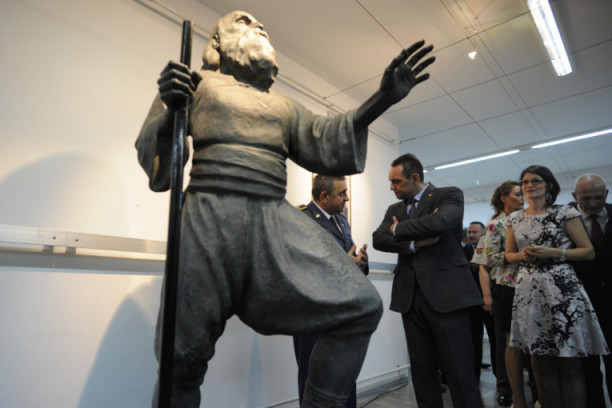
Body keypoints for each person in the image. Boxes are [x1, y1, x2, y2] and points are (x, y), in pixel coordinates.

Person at [135, 10, 435, 408]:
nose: (258, 26)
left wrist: (382, 99)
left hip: (272, 218)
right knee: (182, 359)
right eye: (243, 22)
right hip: (208, 213)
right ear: (218, 43)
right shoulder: (194, 83)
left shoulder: (282, 106)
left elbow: (327, 139)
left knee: (361, 306)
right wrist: (170, 112)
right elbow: (160, 171)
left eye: (260, 24)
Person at [372, 153, 484, 408]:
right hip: (410, 299)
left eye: (396, 182)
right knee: (422, 373)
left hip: (448, 297)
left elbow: (440, 222)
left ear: (414, 178)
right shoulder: (394, 209)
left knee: (459, 372)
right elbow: (378, 238)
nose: (391, 187)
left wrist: (397, 229)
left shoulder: (449, 195)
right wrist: (414, 243)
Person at [505, 165, 609, 408]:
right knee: (543, 365)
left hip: (562, 291)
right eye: (525, 182)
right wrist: (522, 255)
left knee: (570, 363)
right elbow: (508, 255)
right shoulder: (514, 219)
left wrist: (555, 252)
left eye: (536, 181)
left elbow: (588, 251)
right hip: (530, 293)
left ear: (549, 185)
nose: (529, 185)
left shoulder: (565, 212)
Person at [294, 175, 368, 408]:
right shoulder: (300, 218)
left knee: (345, 373)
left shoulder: (341, 222)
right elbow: (297, 264)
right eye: (342, 193)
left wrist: (361, 262)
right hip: (314, 313)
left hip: (343, 310)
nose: (347, 198)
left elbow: (347, 255)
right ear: (324, 196)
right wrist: (345, 263)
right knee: (313, 375)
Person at [472, 181, 530, 407]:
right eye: (517, 194)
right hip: (506, 287)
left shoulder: (528, 219)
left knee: (529, 341)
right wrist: (487, 296)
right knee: (505, 342)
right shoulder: (496, 225)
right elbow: (486, 262)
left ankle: (534, 387)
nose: (522, 197)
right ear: (504, 198)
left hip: (530, 286)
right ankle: (505, 387)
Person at [571, 174, 611, 408]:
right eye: (586, 198)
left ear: (606, 194)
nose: (593, 203)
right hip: (581, 304)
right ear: (575, 196)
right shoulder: (564, 219)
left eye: (599, 197)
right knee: (588, 367)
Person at [464, 221, 496, 380]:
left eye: (475, 232)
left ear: (483, 234)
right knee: (473, 341)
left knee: (495, 340)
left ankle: (500, 378)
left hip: (490, 301)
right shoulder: (463, 252)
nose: (471, 235)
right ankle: (473, 376)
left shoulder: (491, 249)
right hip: (472, 303)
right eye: (469, 232)